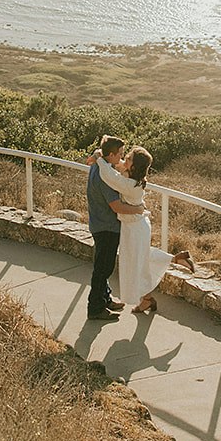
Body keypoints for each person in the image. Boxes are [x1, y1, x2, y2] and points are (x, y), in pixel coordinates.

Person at [95, 145, 194, 315]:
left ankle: (152, 291)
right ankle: (171, 265)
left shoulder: (130, 185)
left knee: (136, 263)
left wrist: (99, 158)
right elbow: (117, 168)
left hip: (134, 228)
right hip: (137, 225)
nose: (124, 158)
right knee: (142, 259)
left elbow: (110, 177)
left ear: (133, 166)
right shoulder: (133, 178)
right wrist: (108, 159)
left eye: (129, 158)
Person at [86, 135, 142, 321]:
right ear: (110, 154)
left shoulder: (99, 165)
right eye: (120, 154)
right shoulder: (105, 178)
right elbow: (117, 207)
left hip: (99, 222)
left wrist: (97, 156)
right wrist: (138, 209)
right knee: (103, 268)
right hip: (107, 227)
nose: (122, 157)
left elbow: (106, 164)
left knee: (103, 265)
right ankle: (95, 308)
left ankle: (105, 298)